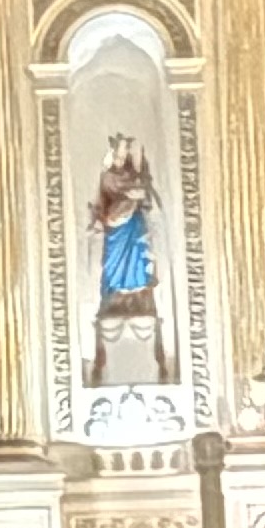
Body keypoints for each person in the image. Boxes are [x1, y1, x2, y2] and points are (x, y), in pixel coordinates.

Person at [88, 137, 171, 387]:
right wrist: (133, 193)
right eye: (121, 151)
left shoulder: (131, 174)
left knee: (138, 264)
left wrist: (139, 190)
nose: (124, 156)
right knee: (113, 267)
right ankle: (117, 299)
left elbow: (142, 193)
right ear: (114, 153)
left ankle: (135, 297)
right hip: (116, 230)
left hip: (134, 228)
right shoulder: (109, 176)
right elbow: (115, 196)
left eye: (126, 151)